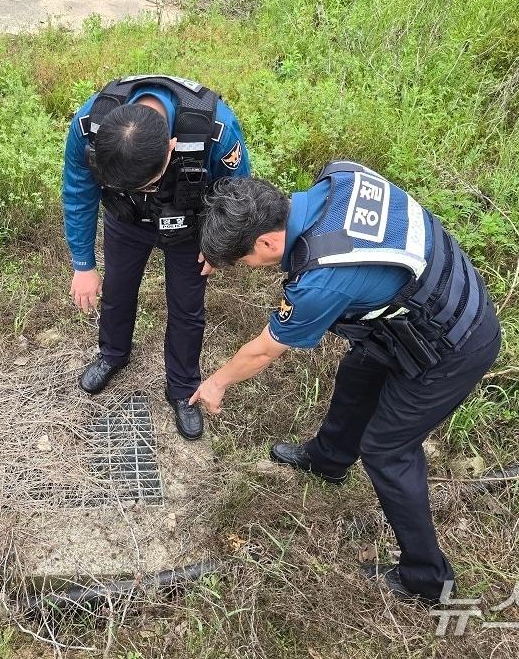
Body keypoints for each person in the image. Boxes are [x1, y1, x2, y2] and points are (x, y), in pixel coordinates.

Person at [190, 163, 501, 602]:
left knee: (387, 450)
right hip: (418, 310)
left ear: (267, 241)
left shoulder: (321, 278)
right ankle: (328, 459)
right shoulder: (339, 178)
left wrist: (217, 383)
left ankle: (427, 578)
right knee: (358, 371)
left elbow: (264, 349)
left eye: (246, 260)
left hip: (455, 341)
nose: (249, 268)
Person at [62, 75, 251, 440]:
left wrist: (217, 245)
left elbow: (238, 195)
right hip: (125, 220)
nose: (145, 191)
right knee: (117, 290)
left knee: (187, 306)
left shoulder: (216, 129)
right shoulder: (89, 124)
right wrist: (83, 264)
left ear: (171, 147)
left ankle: (182, 388)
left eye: (149, 183)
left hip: (190, 227)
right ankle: (113, 355)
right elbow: (77, 191)